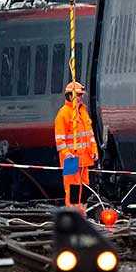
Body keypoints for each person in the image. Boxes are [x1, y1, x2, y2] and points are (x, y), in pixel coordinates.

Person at [54, 81, 97, 209]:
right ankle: (74, 213)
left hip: (85, 159)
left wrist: (94, 150)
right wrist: (68, 155)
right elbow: (60, 141)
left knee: (84, 187)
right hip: (71, 160)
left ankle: (82, 212)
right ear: (71, 96)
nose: (81, 97)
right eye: (79, 95)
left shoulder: (83, 112)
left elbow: (90, 135)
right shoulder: (63, 114)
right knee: (73, 188)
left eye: (81, 95)